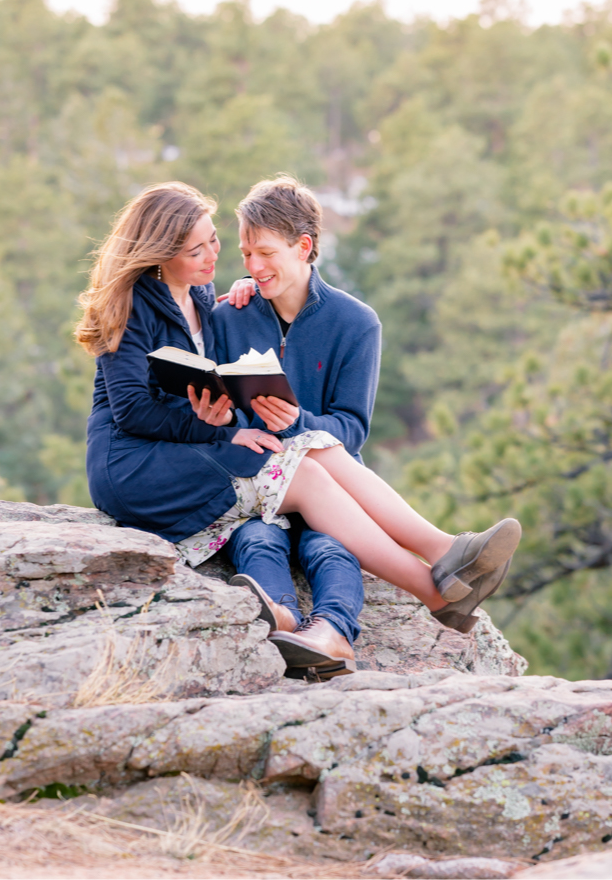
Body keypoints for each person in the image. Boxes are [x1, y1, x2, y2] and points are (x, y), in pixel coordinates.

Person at [79, 181, 521, 676]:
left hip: (190, 453)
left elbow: (329, 420)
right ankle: (436, 583)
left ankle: (443, 554)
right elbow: (134, 411)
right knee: (303, 476)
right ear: (160, 253)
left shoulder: (204, 295)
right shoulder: (134, 304)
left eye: (214, 241)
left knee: (311, 456)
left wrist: (222, 415)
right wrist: (224, 431)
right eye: (196, 249)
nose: (216, 257)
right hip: (136, 464)